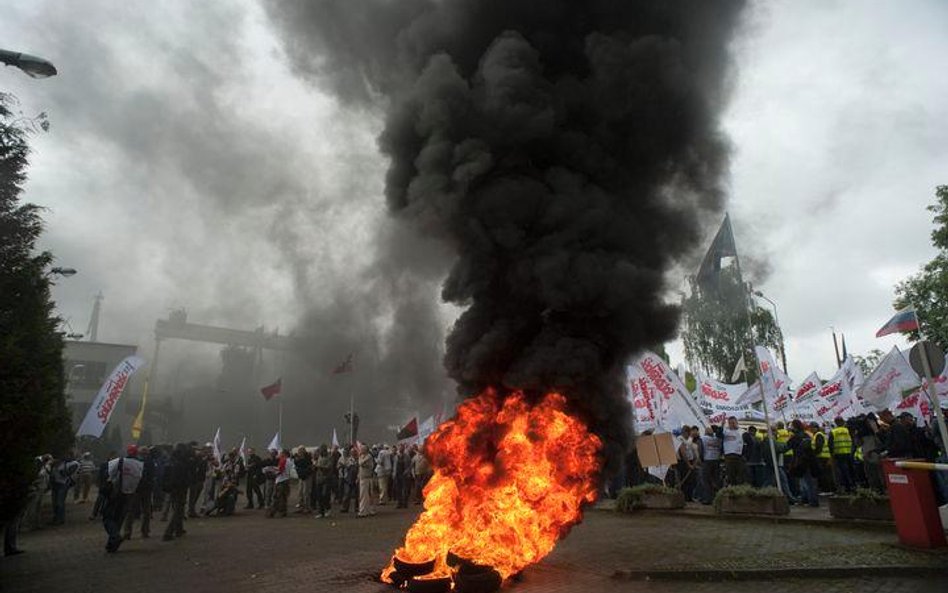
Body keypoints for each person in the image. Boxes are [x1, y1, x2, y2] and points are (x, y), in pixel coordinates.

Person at [102, 445, 144, 553]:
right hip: (130, 495)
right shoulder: (140, 465)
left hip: (116, 494)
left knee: (107, 518)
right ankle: (112, 545)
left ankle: (115, 537)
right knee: (118, 520)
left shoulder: (119, 461)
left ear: (127, 452)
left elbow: (108, 474)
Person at [122, 446, 155, 540]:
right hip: (145, 489)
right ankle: (145, 531)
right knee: (146, 512)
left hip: (135, 489)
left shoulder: (133, 462)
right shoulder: (150, 462)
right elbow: (152, 475)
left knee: (131, 511)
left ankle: (127, 532)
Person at [162, 443, 192, 542]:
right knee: (178, 510)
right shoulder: (180, 463)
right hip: (179, 489)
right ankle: (168, 532)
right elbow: (181, 477)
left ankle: (179, 529)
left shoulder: (171, 461)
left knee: (179, 509)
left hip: (172, 488)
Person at [787, 420, 819, 507]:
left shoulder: (796, 437)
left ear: (795, 427)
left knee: (806, 481)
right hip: (809, 460)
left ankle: (812, 501)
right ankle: (805, 499)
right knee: (805, 481)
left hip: (801, 461)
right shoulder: (807, 435)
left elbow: (788, 445)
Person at [48, 454, 79, 525]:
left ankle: (60, 519)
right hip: (55, 484)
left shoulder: (67, 464)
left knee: (60, 502)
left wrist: (63, 472)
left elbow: (69, 472)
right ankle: (56, 518)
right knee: (54, 503)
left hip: (63, 484)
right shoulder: (53, 465)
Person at [829, 417, 855, 493]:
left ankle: (847, 487)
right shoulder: (847, 430)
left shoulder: (833, 431)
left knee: (843, 471)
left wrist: (832, 454)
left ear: (835, 422)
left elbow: (830, 444)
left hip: (839, 453)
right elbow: (853, 440)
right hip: (849, 452)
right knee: (851, 469)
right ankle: (854, 485)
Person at [699, 426, 722, 505]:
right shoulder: (718, 439)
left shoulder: (703, 439)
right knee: (715, 480)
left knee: (706, 480)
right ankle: (717, 498)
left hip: (707, 460)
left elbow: (700, 450)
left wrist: (701, 460)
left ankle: (707, 498)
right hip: (716, 460)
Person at [809, 422, 834, 494]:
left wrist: (814, 454)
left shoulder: (818, 435)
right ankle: (829, 489)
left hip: (822, 457)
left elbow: (819, 446)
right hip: (823, 456)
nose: (811, 429)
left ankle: (826, 490)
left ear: (816, 428)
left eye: (812, 427)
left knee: (824, 474)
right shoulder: (817, 435)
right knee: (826, 474)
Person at [267, 449, 292, 518]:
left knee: (277, 497)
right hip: (286, 479)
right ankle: (283, 511)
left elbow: (280, 470)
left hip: (281, 480)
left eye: (281, 453)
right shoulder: (289, 461)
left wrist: (272, 473)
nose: (279, 454)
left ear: (284, 454)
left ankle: (272, 512)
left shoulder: (283, 460)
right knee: (283, 497)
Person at [721, 417, 745, 486]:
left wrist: (745, 455)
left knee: (740, 476)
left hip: (739, 456)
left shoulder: (742, 431)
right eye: (730, 423)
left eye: (733, 422)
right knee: (731, 475)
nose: (732, 424)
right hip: (728, 456)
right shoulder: (725, 431)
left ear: (737, 422)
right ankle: (732, 488)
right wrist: (722, 425)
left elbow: (749, 443)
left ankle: (739, 488)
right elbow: (718, 434)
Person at [313, 445, 333, 518]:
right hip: (319, 479)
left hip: (326, 479)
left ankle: (328, 508)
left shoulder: (329, 458)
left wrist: (320, 467)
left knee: (325, 495)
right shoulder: (319, 458)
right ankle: (321, 512)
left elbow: (329, 467)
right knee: (319, 496)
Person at [358, 444, 376, 517]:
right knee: (364, 495)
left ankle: (363, 511)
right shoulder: (361, 456)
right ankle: (367, 510)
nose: (360, 450)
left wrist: (362, 460)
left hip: (367, 478)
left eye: (362, 449)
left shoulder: (368, 456)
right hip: (362, 477)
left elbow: (361, 463)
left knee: (365, 495)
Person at [293, 447, 313, 514]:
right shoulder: (300, 459)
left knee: (306, 492)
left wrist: (297, 459)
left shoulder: (307, 459)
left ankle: (307, 507)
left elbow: (302, 463)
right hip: (301, 476)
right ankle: (301, 506)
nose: (299, 453)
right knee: (300, 492)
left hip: (307, 476)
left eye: (300, 452)